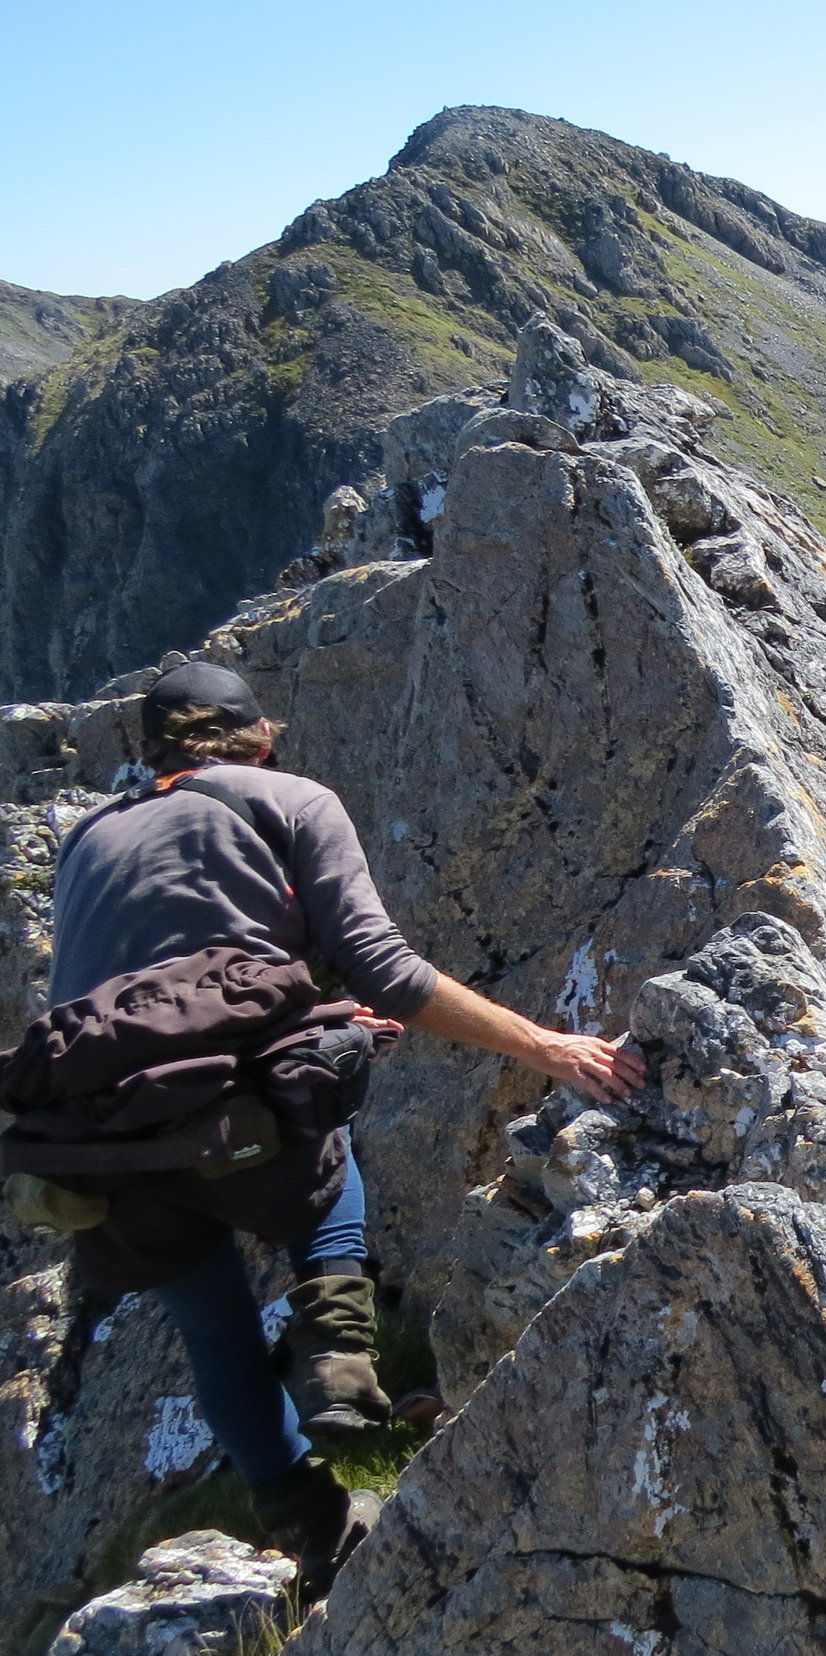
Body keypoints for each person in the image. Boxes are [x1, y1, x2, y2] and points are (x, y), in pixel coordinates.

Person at [40, 658, 643, 1587]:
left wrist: (309, 1018)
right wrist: (545, 1045)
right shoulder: (287, 798)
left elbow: (133, 1001)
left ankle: (311, 1527)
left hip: (104, 1148)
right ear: (262, 738)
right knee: (318, 1138)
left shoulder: (85, 841)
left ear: (150, 750)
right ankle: (337, 1358)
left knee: (214, 1332)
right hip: (236, 1117)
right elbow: (386, 970)